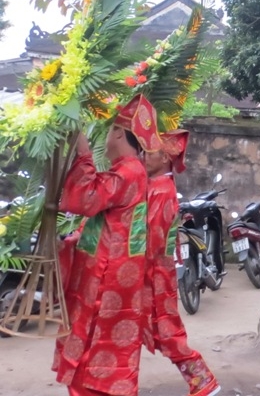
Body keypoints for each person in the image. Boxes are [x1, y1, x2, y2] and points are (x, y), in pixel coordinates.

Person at [53, 94, 163, 396]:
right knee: (91, 356)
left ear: (118, 133)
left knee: (93, 361)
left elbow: (86, 199)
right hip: (112, 275)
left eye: (109, 130)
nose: (105, 138)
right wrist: (76, 239)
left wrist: (83, 152)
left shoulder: (129, 171)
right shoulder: (130, 171)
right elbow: (112, 223)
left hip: (107, 282)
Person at [143, 129, 221, 396]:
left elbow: (152, 235)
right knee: (157, 329)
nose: (144, 157)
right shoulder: (155, 186)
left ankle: (204, 381)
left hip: (153, 270)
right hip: (152, 268)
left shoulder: (162, 190)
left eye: (149, 153)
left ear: (165, 158)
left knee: (166, 330)